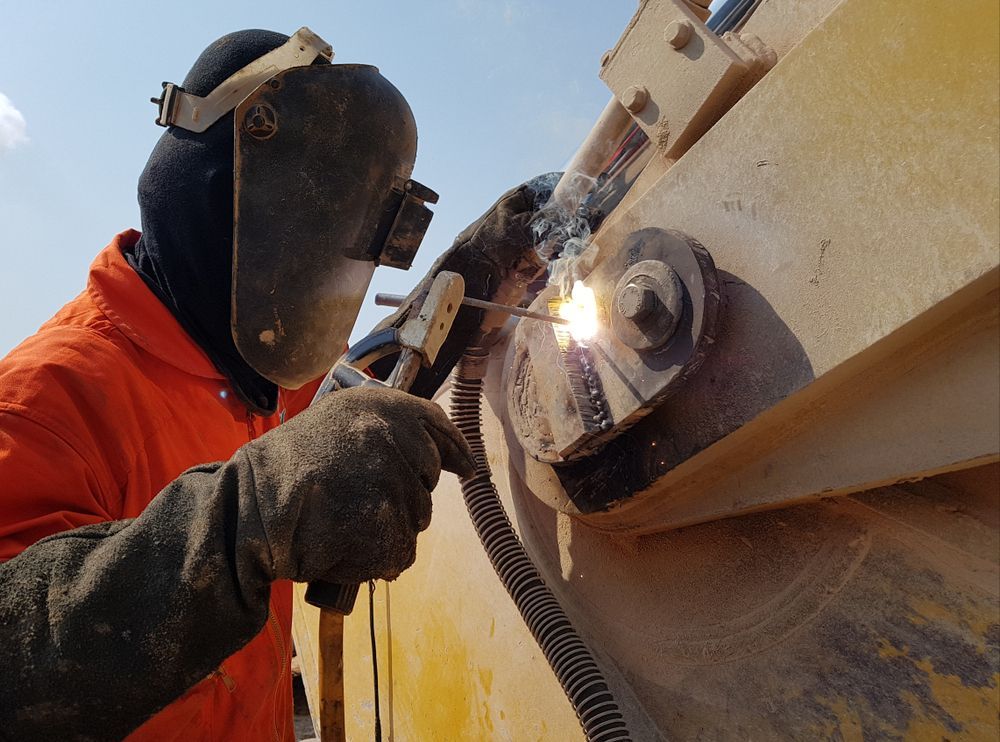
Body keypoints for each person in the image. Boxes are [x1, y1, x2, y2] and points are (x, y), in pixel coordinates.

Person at [0, 28, 552, 740]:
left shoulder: (260, 376)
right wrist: (245, 522)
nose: (316, 279)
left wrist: (486, 264)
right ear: (227, 200)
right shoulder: (47, 400)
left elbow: (374, 383)